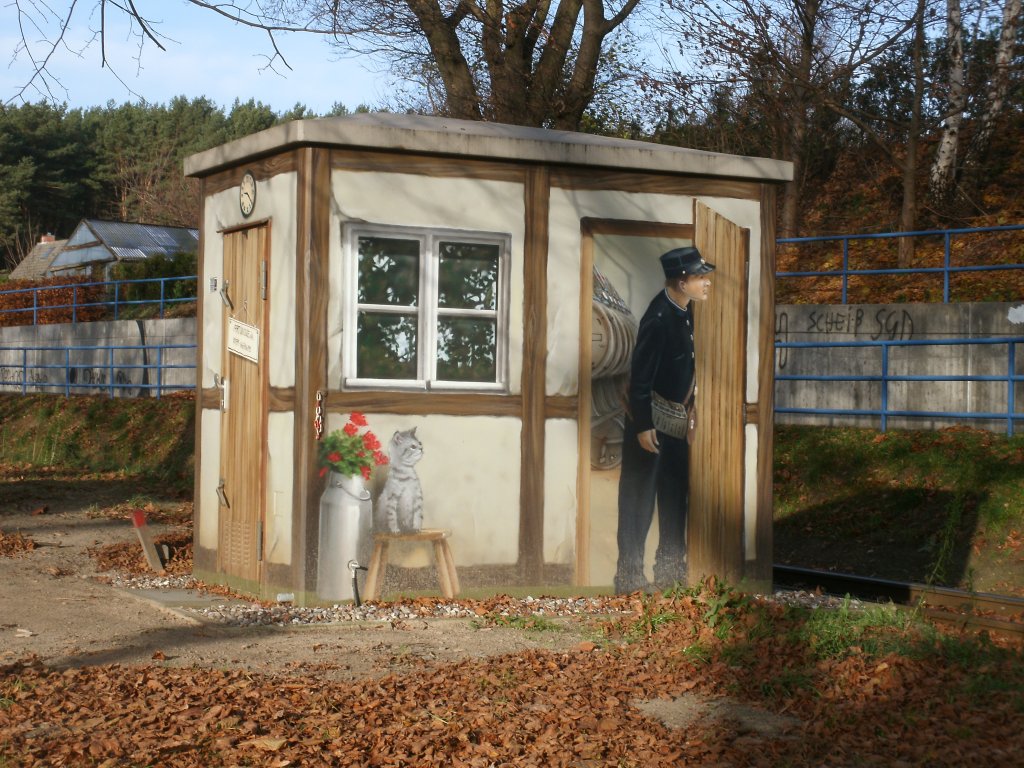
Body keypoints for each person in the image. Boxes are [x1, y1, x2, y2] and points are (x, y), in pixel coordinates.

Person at [614, 245, 715, 594]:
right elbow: (641, 379)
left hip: (675, 422)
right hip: (650, 423)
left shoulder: (687, 312)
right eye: (701, 277)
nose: (707, 283)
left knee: (674, 497)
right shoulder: (658, 318)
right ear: (682, 282)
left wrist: (692, 408)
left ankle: (670, 572)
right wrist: (643, 427)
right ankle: (629, 577)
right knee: (638, 500)